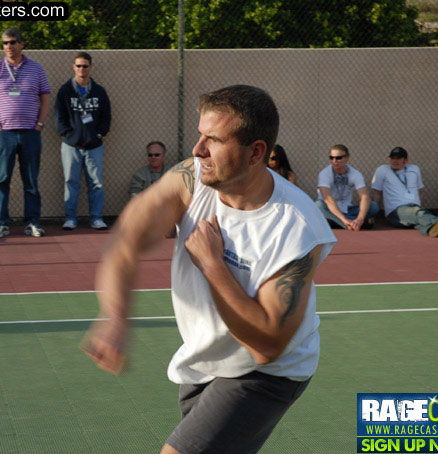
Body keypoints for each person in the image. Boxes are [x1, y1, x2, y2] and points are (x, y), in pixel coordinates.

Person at [82, 85, 336, 454]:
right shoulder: (193, 179)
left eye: (213, 140)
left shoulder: (296, 226)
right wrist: (115, 315)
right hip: (206, 360)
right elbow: (129, 235)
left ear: (256, 152)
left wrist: (212, 265)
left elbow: (267, 345)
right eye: (200, 135)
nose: (198, 150)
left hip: (264, 374)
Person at [0, 28, 51, 238]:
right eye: (5, 43)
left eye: (12, 42)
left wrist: (39, 124)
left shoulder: (36, 69)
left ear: (22, 44)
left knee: (31, 180)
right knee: (2, 180)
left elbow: (45, 97)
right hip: (4, 135)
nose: (8, 47)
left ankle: (32, 223)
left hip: (30, 133)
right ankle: (1, 224)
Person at [55, 52, 112, 230]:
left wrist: (100, 133)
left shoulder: (99, 91)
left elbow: (106, 115)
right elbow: (59, 116)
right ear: (73, 67)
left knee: (96, 182)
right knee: (70, 181)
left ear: (90, 67)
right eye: (78, 66)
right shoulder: (65, 90)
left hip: (94, 145)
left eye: (85, 66)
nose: (82, 69)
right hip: (71, 145)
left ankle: (96, 218)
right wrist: (67, 134)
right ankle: (71, 218)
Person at [371, 147, 438, 237]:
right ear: (389, 159)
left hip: (415, 208)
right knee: (417, 213)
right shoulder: (382, 170)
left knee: (420, 220)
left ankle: (437, 230)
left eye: (398, 158)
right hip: (396, 212)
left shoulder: (414, 169)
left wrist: (422, 208)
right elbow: (376, 193)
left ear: (406, 160)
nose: (395, 161)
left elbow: (420, 192)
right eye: (392, 158)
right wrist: (373, 216)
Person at [315, 144, 378, 230]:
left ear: (347, 157)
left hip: (347, 209)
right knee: (318, 205)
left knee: (373, 206)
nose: (334, 161)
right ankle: (349, 224)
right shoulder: (324, 174)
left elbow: (365, 197)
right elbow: (327, 199)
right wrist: (344, 219)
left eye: (338, 158)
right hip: (330, 208)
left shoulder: (355, 174)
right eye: (331, 157)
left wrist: (360, 218)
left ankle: (337, 222)